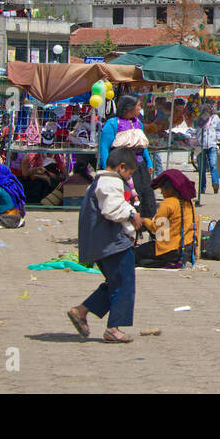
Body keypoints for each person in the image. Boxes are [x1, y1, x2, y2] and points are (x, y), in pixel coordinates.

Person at [67, 146, 144, 343]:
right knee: (124, 284)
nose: (128, 178)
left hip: (103, 242)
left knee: (115, 283)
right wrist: (131, 215)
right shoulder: (110, 182)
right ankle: (113, 328)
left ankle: (81, 311)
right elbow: (112, 209)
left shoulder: (100, 182)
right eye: (129, 174)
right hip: (111, 242)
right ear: (121, 167)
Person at [99, 95, 156, 218]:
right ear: (128, 108)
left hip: (140, 167)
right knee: (128, 196)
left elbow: (142, 145)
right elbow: (104, 147)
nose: (140, 108)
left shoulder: (138, 123)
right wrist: (107, 168)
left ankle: (145, 225)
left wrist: (149, 162)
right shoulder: (113, 123)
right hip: (123, 169)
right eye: (138, 106)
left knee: (145, 195)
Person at [137, 168, 198, 267]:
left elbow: (156, 229)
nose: (161, 193)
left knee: (136, 254)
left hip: (171, 250)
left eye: (162, 189)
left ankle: (166, 262)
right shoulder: (189, 202)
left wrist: (144, 221)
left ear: (169, 189)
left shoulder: (168, 203)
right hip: (188, 249)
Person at [195, 103, 220, 196]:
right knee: (202, 168)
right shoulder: (199, 117)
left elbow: (219, 129)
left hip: (212, 144)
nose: (209, 110)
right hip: (200, 144)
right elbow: (195, 126)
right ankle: (202, 187)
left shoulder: (216, 118)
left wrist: (219, 137)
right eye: (207, 109)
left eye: (210, 109)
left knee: (213, 165)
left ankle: (215, 183)